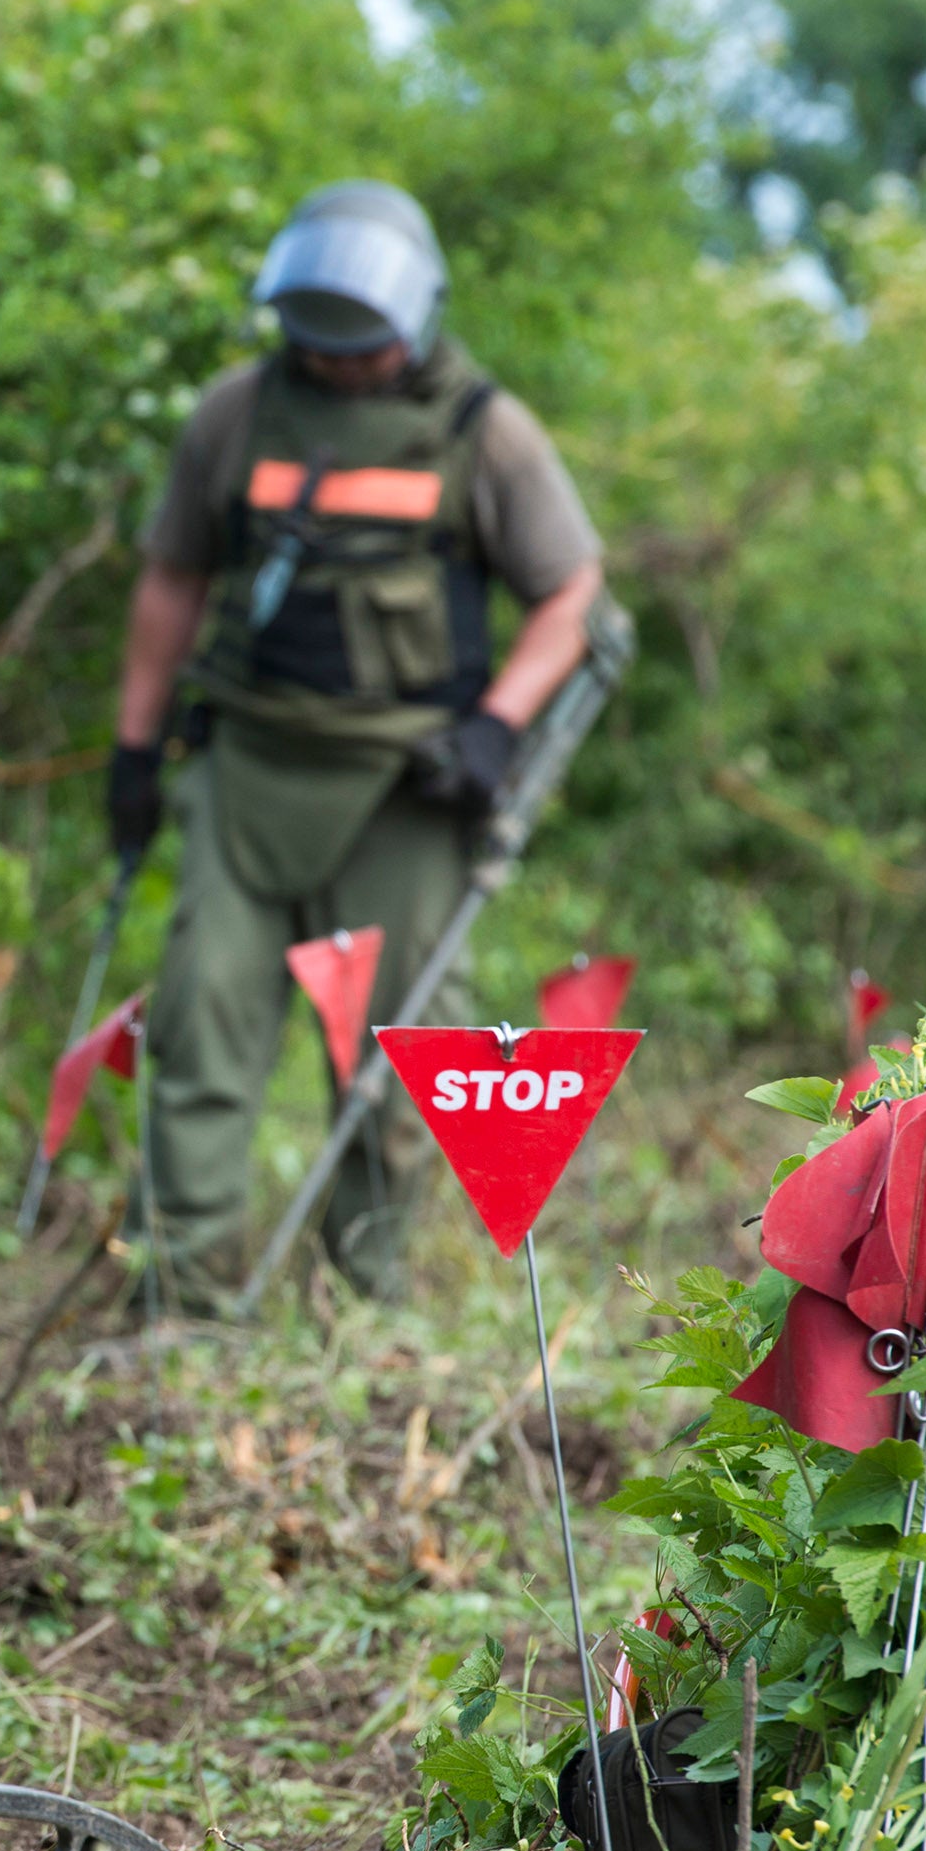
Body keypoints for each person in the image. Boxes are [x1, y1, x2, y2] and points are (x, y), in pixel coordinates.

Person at [108, 181, 604, 1303]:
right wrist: (134, 751)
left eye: (362, 346)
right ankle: (179, 1297)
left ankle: (364, 1295)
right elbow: (171, 581)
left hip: (405, 791)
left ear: (415, 318)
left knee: (400, 1056)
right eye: (318, 341)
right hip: (245, 776)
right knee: (201, 1025)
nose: (338, 365)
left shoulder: (490, 432)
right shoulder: (235, 413)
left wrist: (494, 725)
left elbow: (571, 594)